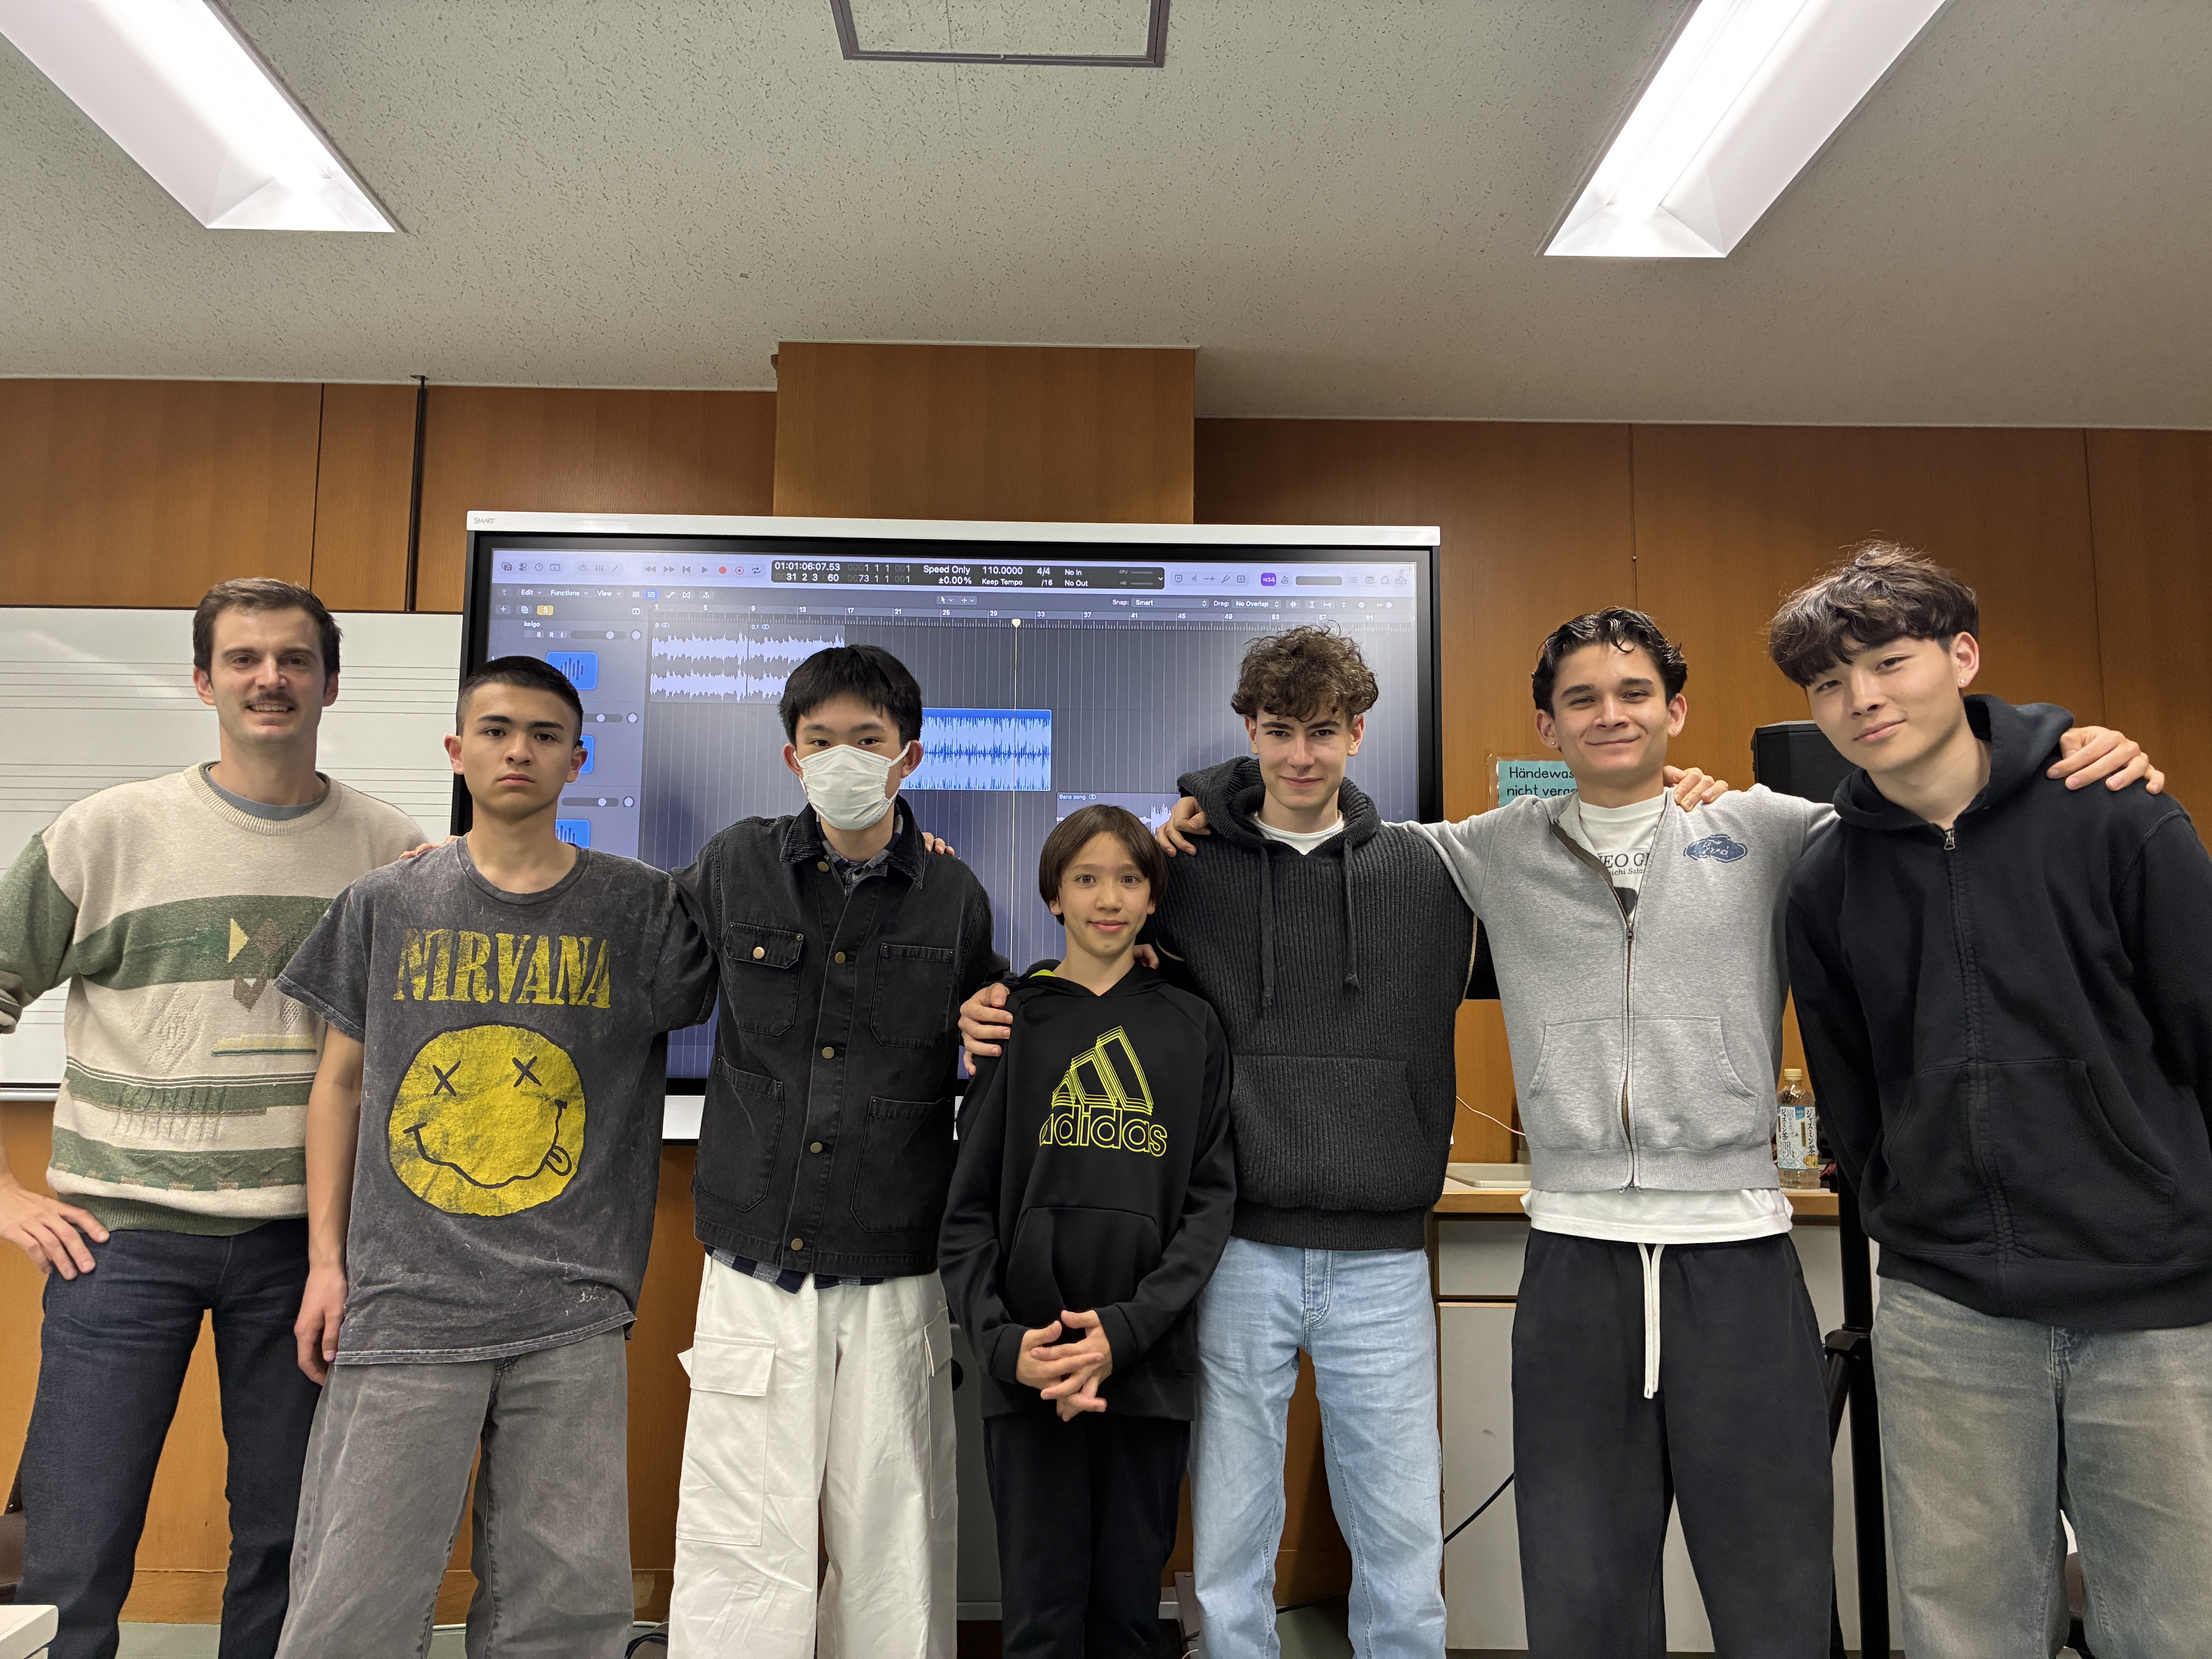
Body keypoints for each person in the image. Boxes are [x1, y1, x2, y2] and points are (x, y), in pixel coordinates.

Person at [1143, 612, 2158, 1657]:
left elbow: (1919, 805)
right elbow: (1297, 829)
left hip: (1740, 1248)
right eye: (1582, 698)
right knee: (1581, 1595)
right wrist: (1205, 805)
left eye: (1634, 693)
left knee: (1772, 1586)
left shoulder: (1762, 828)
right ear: (1547, 726)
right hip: (1570, 1255)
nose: (1610, 715)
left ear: (1676, 709)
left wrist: (2046, 753)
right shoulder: (1487, 848)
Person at [964, 626, 1483, 1659]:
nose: (1302, 754)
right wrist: (990, 1001)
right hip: (1240, 1246)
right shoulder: (1186, 872)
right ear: (1249, 731)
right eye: (1280, 730)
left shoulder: (1431, 871)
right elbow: (1099, 948)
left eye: (1324, 730)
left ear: (1359, 733)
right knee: (1233, 1539)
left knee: (1402, 1534)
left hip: (1383, 1257)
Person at [1776, 545, 2212, 1659]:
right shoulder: (1825, 880)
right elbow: (1853, 1096)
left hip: (2153, 1300)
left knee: (2179, 1622)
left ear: (1962, 658)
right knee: (1965, 1632)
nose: (1862, 698)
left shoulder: (2117, 817)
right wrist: (1912, 1214)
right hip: (1948, 1309)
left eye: (1890, 662)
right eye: (1829, 682)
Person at [0, 580, 424, 1659]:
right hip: (117, 1245)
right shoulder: (104, 833)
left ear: (331, 683)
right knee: (73, 1543)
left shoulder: (390, 848)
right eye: (243, 659)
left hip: (304, 1250)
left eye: (294, 659)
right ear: (203, 681)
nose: (269, 679)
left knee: (287, 1543)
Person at [269, 655, 716, 1659]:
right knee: (351, 1604)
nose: (521, 751)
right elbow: (337, 1085)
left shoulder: (641, 910)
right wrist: (327, 1264)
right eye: (498, 730)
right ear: (457, 750)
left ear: (579, 760)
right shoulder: (386, 902)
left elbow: (776, 918)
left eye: (546, 735)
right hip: (404, 1303)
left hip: (573, 1307)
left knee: (563, 1617)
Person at [666, 644, 1005, 1659]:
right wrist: (481, 864)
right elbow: (632, 937)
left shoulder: (954, 893)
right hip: (754, 1258)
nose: (843, 758)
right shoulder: (734, 863)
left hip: (896, 1262)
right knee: (739, 1539)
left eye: (867, 739)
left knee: (895, 1539)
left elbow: (993, 1024)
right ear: (791, 755)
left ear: (908, 756)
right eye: (822, 741)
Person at [939, 804, 1237, 1659]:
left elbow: (1208, 1206)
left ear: (1154, 900)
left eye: (1130, 879)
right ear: (1054, 896)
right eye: (1087, 878)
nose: (1109, 899)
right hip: (1031, 1371)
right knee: (1041, 1621)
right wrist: (1004, 1346)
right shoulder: (1011, 1022)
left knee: (1128, 1619)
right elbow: (966, 1214)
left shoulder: (1194, 1026)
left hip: (1146, 1371)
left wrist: (1128, 1331)